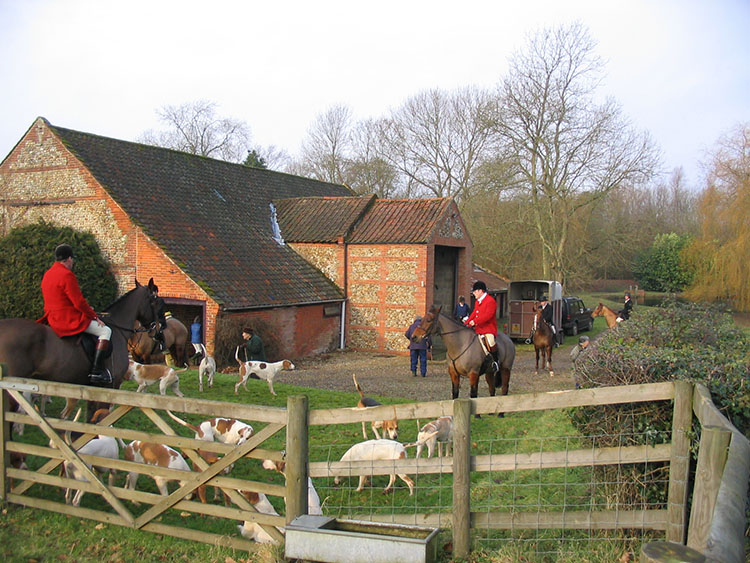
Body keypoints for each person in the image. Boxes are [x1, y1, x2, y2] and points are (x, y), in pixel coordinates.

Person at [39, 244, 113, 386]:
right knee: (105, 330)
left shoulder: (48, 274)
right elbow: (78, 302)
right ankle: (96, 371)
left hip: (50, 317)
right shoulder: (67, 275)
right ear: (68, 259)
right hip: (66, 319)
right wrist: (94, 316)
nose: (72, 263)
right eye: (72, 260)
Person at [464, 281, 499, 371]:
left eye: (475, 291)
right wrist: (466, 323)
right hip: (478, 328)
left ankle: (495, 361)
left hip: (488, 328)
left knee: (491, 342)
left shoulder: (490, 301)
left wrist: (474, 322)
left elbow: (488, 316)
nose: (474, 293)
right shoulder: (477, 302)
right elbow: (474, 313)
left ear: (480, 291)